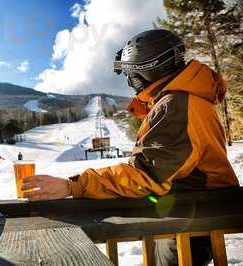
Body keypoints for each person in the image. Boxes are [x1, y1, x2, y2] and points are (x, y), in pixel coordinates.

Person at [21, 29, 239, 266]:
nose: (129, 81)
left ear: (145, 70)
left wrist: (73, 185)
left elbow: (145, 175)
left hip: (188, 221)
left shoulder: (176, 105)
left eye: (130, 73)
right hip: (188, 213)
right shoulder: (185, 99)